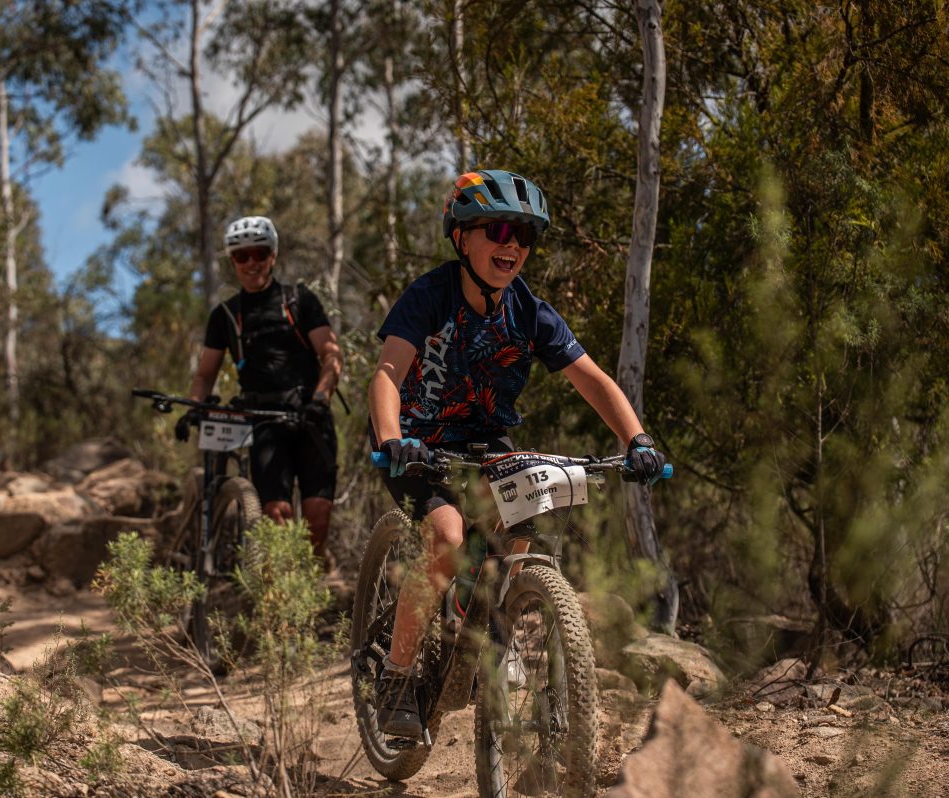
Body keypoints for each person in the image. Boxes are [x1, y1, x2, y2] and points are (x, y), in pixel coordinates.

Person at [367, 170, 668, 737]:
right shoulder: (430, 296)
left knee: (523, 511)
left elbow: (594, 379)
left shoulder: (530, 311)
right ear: (461, 236)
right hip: (416, 439)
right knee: (450, 538)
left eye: (525, 236)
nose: (512, 244)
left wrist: (638, 440)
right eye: (499, 229)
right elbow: (387, 373)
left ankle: (490, 627)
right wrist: (391, 439)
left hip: (485, 439)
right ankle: (396, 675)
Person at [184, 215, 342, 565]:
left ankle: (312, 587)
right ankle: (281, 601)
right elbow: (205, 374)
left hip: (310, 417)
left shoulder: (300, 299)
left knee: (316, 520)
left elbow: (331, 354)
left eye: (259, 253)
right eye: (242, 256)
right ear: (232, 262)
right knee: (277, 514)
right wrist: (192, 407)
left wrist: (320, 398)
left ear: (272, 256)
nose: (252, 262)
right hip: (263, 423)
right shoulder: (225, 314)